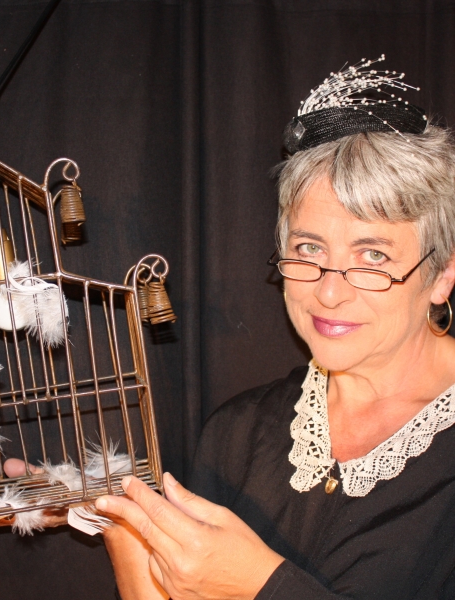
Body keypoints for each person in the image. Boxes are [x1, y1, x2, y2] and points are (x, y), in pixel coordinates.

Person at [94, 57, 455, 599]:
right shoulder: (237, 434)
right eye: (309, 249)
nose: (328, 292)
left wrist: (261, 585)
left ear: (442, 275)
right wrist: (118, 519)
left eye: (373, 256)